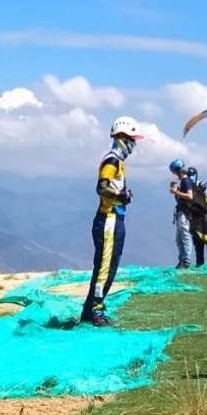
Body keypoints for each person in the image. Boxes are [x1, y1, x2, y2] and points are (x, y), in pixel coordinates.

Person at [81, 116, 142, 327]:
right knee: (105, 267)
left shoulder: (119, 162)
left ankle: (90, 311)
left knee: (109, 265)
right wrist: (121, 197)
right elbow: (101, 187)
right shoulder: (112, 160)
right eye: (132, 139)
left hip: (114, 218)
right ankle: (96, 312)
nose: (134, 145)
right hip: (108, 219)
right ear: (122, 138)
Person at [169, 159, 195, 269]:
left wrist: (176, 192)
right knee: (179, 238)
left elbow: (190, 196)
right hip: (181, 211)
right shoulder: (184, 181)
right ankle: (182, 259)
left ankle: (186, 261)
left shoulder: (186, 181)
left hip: (185, 212)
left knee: (185, 236)